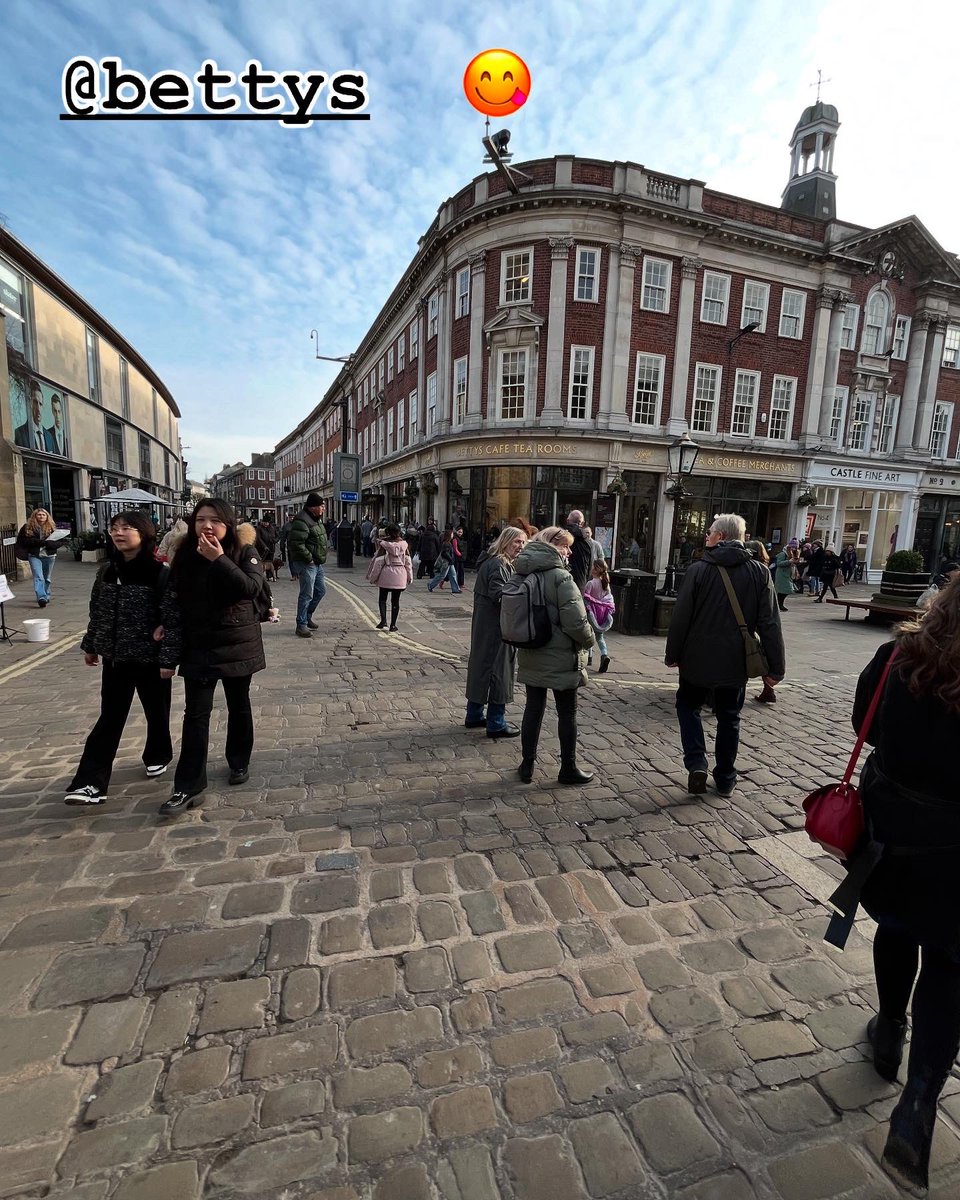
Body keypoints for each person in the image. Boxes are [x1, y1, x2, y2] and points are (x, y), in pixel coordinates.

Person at [845, 579, 960, 1194]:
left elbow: (863, 718)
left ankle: (889, 1030)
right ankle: (917, 1102)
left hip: (894, 837)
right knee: (949, 966)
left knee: (896, 929)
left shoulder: (898, 656)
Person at [665, 513, 785, 797]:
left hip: (696, 658)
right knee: (729, 717)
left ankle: (696, 761)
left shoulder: (698, 570)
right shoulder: (759, 572)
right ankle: (726, 777)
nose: (706, 536)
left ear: (721, 536)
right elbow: (770, 622)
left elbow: (681, 618)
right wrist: (775, 668)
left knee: (688, 706)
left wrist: (673, 653)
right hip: (735, 660)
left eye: (709, 532)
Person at [64, 513, 181, 806]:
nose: (119, 533)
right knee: (110, 718)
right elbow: (97, 611)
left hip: (149, 659)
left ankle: (158, 754)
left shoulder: (159, 573)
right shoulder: (106, 571)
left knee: (157, 711)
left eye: (127, 528)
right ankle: (91, 782)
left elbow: (171, 619)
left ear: (144, 534)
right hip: (115, 659)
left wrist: (168, 659)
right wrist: (91, 644)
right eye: (114, 528)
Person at [160, 501, 268, 816]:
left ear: (228, 524)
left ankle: (238, 761)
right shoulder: (184, 555)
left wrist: (219, 559)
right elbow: (174, 598)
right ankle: (188, 786)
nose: (207, 526)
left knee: (238, 704)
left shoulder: (245, 551)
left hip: (236, 643)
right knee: (195, 715)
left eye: (215, 521)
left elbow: (250, 587)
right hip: (199, 646)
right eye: (201, 520)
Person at [514, 527, 596, 785]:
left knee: (533, 709)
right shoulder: (561, 577)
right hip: (561, 655)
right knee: (567, 713)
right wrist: (590, 640)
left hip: (531, 648)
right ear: (552, 545)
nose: (570, 552)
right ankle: (568, 768)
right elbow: (575, 622)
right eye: (566, 546)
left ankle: (526, 766)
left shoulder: (522, 569)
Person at [465, 526, 527, 737]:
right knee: (499, 672)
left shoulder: (495, 561)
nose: (521, 546)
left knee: (481, 669)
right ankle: (496, 722)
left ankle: (474, 715)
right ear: (506, 541)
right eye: (517, 542)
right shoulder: (499, 564)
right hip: (496, 629)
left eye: (523, 542)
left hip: (486, 627)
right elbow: (499, 594)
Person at [287, 493, 328, 638]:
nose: (323, 508)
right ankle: (301, 625)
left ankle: (307, 616)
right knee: (306, 594)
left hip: (317, 563)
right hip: (307, 563)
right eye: (321, 506)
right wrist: (309, 557)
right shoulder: (302, 521)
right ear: (313, 507)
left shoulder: (315, 519)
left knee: (321, 591)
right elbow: (296, 543)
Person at [746, 540, 777, 704]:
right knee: (765, 651)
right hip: (764, 614)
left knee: (755, 650)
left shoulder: (751, 569)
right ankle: (768, 688)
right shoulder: (763, 567)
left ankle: (768, 689)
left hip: (752, 615)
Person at [15, 507, 59, 607]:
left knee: (47, 577)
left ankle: (47, 594)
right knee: (38, 577)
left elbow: (59, 541)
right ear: (35, 516)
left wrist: (51, 544)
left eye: (43, 515)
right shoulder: (27, 527)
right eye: (39, 514)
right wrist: (42, 542)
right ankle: (41, 597)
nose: (41, 516)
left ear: (47, 516)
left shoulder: (52, 527)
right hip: (34, 555)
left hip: (49, 555)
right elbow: (24, 541)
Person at [373, 523, 413, 631]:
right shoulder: (404, 545)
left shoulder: (384, 545)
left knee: (382, 599)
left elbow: (378, 562)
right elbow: (408, 562)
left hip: (387, 573)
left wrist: (373, 577)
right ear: (399, 532)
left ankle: (383, 621)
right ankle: (393, 625)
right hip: (400, 574)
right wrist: (410, 577)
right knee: (395, 601)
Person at [583, 559, 615, 674]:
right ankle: (604, 655)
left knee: (589, 634)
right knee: (600, 637)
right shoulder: (605, 583)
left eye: (593, 567)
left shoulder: (591, 583)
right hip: (602, 613)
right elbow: (608, 599)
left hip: (592, 613)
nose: (591, 569)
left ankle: (589, 657)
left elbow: (586, 599)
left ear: (596, 570)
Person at [564, 509, 592, 590]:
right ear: (582, 523)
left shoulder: (560, 538)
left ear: (567, 521)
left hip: (563, 583)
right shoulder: (586, 543)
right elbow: (589, 566)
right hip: (580, 584)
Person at [14, 381, 45, 450]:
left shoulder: (49, 437)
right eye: (35, 402)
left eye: (40, 404)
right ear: (30, 403)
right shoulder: (20, 433)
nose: (38, 409)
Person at [771, 539, 796, 612]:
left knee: (786, 590)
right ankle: (779, 604)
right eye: (793, 547)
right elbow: (779, 563)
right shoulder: (783, 554)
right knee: (783, 590)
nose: (794, 549)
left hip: (787, 574)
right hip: (781, 574)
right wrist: (789, 561)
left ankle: (779, 604)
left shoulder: (792, 554)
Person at [255, 517, 278, 582]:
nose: (265, 524)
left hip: (271, 547)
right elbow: (258, 538)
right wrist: (264, 546)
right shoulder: (259, 528)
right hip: (262, 549)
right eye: (264, 522)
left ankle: (270, 575)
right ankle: (260, 575)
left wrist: (275, 541)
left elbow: (278, 536)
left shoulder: (272, 528)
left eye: (267, 522)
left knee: (270, 562)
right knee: (262, 561)